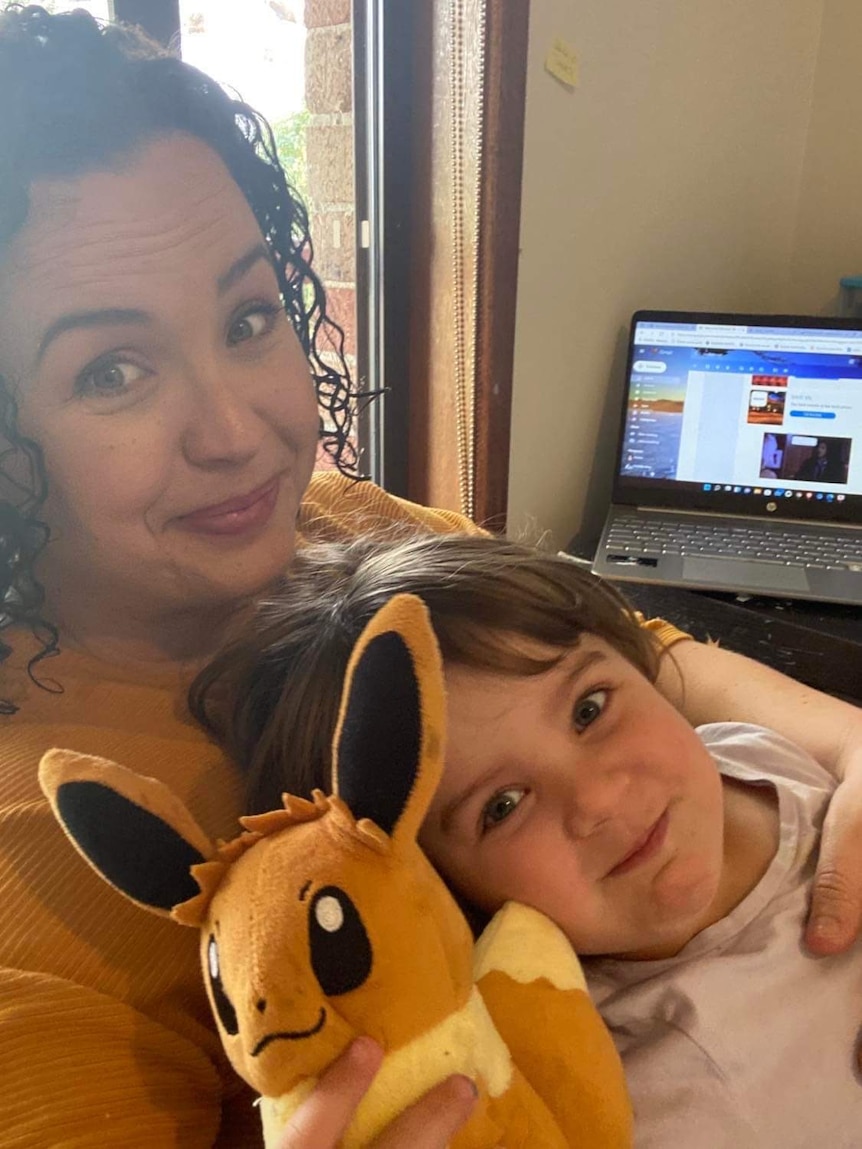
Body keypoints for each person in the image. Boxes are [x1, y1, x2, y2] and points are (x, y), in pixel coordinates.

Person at [0, 5, 860, 1146]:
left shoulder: (325, 523)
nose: (240, 427)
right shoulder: (30, 886)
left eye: (249, 317)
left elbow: (614, 642)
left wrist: (848, 745)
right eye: (113, 371)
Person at [192, 533, 862, 1146]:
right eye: (502, 806)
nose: (597, 799)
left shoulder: (759, 751)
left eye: (590, 707)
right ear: (447, 893)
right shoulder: (628, 1093)